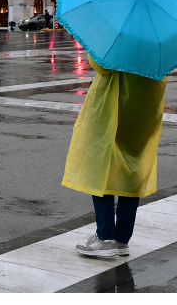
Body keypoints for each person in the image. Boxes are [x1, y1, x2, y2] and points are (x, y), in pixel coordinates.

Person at [63, 55, 167, 258]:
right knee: (132, 172)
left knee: (101, 167)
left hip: (113, 110)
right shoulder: (158, 49)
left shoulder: (119, 42)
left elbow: (100, 65)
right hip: (143, 113)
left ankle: (105, 237)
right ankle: (121, 239)